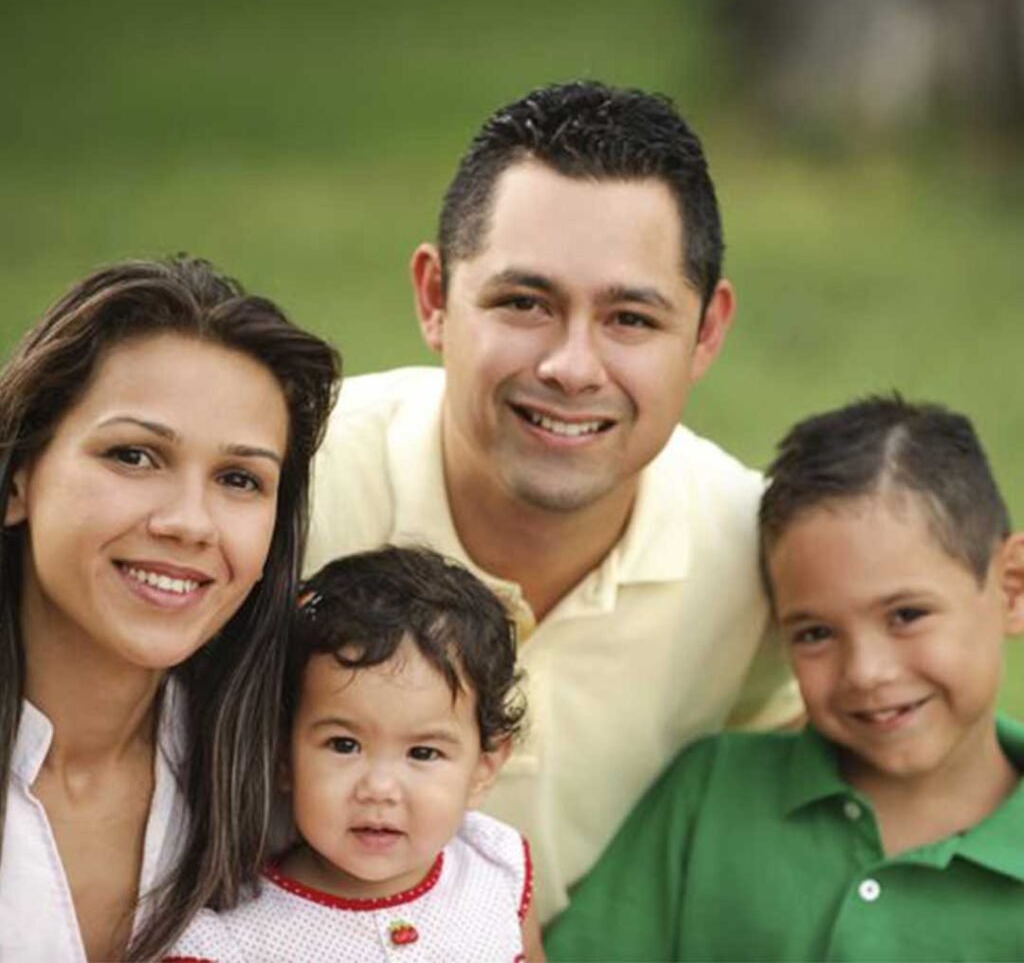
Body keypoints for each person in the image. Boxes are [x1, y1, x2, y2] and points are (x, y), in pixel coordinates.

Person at [306, 80, 801, 920]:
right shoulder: (280, 491)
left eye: (631, 318)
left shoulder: (752, 552)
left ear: (707, 331)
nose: (572, 367)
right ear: (435, 298)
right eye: (524, 303)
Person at [545, 394, 1024, 961]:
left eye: (906, 615)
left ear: (1012, 587)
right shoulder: (709, 795)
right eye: (816, 633)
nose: (866, 672)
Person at [0, 256, 340, 962]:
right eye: (134, 456)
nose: (190, 522)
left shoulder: (299, 788)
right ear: (19, 478)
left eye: (239, 479)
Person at [166, 545, 545, 962]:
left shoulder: (496, 869)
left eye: (423, 752)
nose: (379, 788)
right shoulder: (233, 942)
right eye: (344, 745)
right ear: (282, 756)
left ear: (483, 768)